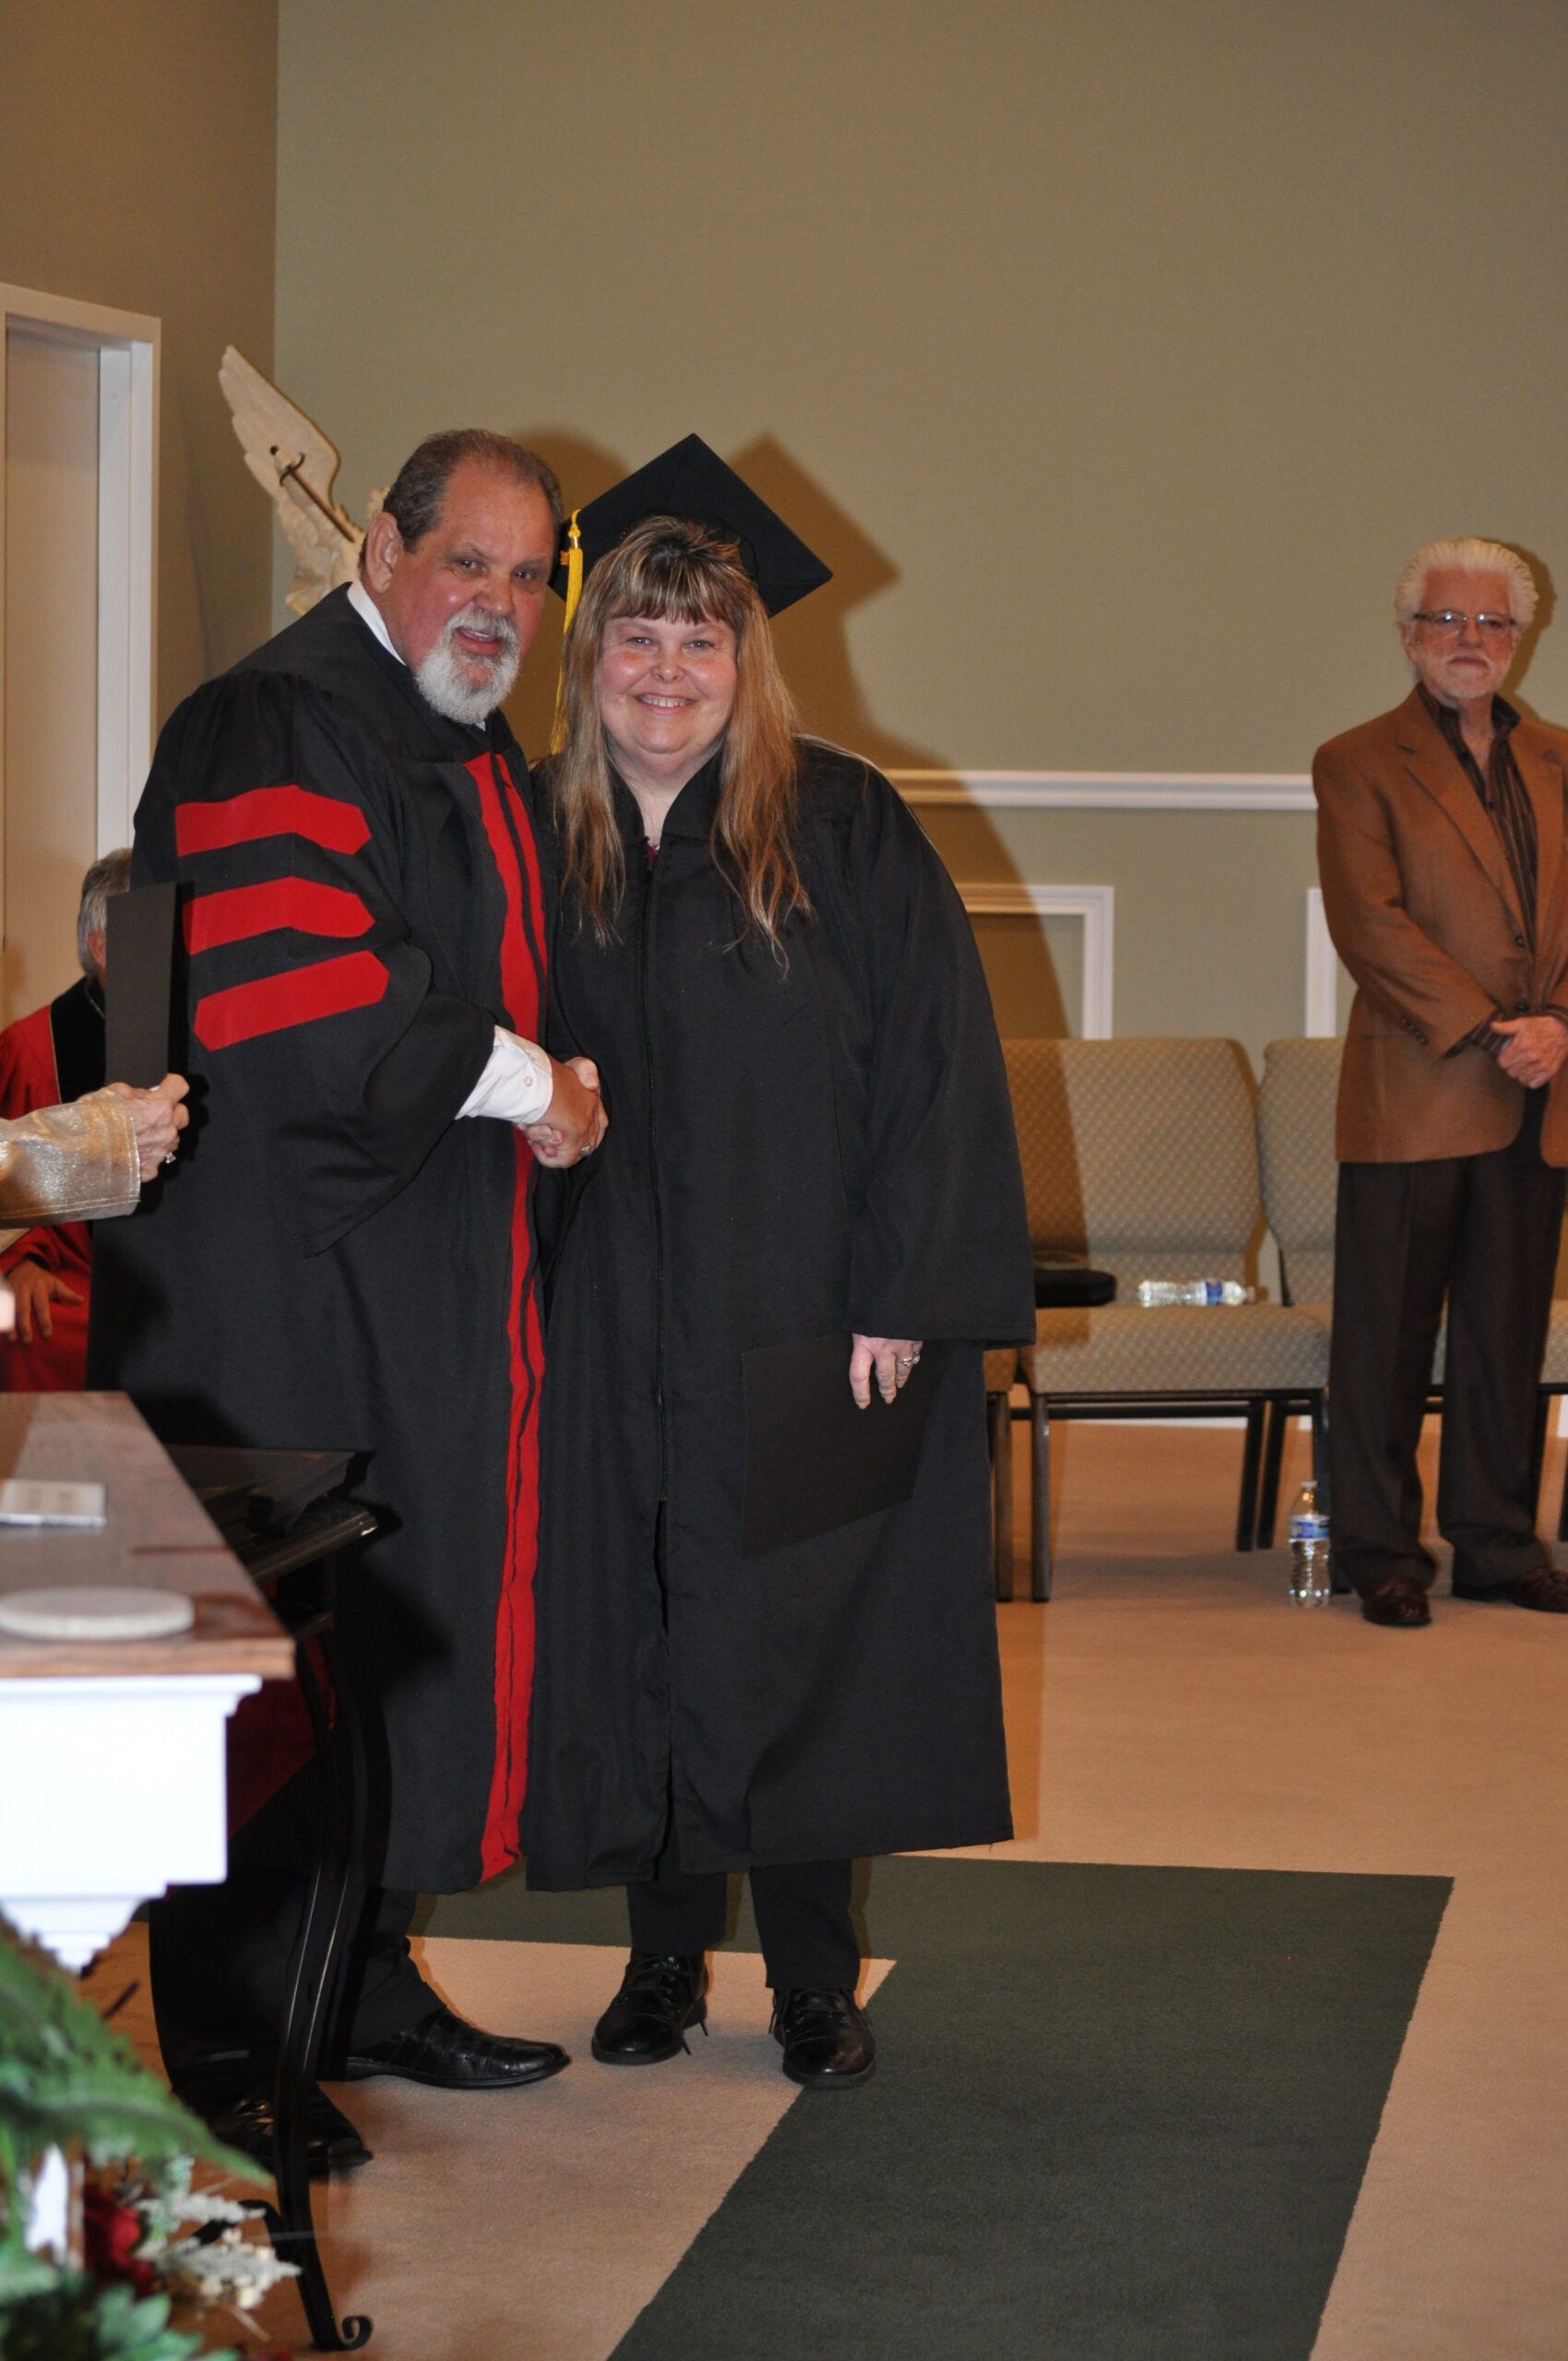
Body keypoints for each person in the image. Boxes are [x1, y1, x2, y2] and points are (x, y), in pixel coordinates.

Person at [90, 428, 606, 2174]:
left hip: (407, 1269)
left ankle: (363, 1980)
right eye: (472, 560)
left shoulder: (455, 735)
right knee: (270, 1666)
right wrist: (535, 1086)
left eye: (533, 576)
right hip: (273, 1290)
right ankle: (230, 2057)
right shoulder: (276, 719)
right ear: (379, 545)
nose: (504, 606)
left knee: (392, 1628)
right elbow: (303, 998)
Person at [526, 438, 1032, 2088]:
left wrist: (907, 1289)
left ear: (747, 666)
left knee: (813, 1633)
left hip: (810, 1309)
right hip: (604, 1314)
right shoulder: (538, 835)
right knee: (644, 1618)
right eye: (634, 637)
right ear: (587, 657)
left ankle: (815, 1977)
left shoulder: (842, 826)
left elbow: (935, 1066)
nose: (664, 671)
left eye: (698, 640)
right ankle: (662, 1961)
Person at [1315, 536, 1568, 1628]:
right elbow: (1368, 923)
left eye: (1491, 624)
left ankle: (1495, 1545)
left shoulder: (1563, 758)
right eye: (1447, 622)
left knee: (1503, 1335)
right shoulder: (1356, 759)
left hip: (1540, 1089)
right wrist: (1488, 1029)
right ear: (1409, 634)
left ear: (1519, 639)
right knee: (1383, 1335)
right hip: (1417, 1088)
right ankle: (1375, 1550)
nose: (1470, 642)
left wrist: (1556, 1026)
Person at [0, 848, 131, 1386]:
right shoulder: (33, 1048)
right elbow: (13, 1175)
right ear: (101, 946)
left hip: (196, 1265)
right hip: (80, 1267)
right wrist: (24, 1263)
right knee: (36, 1328)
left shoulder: (200, 1025)